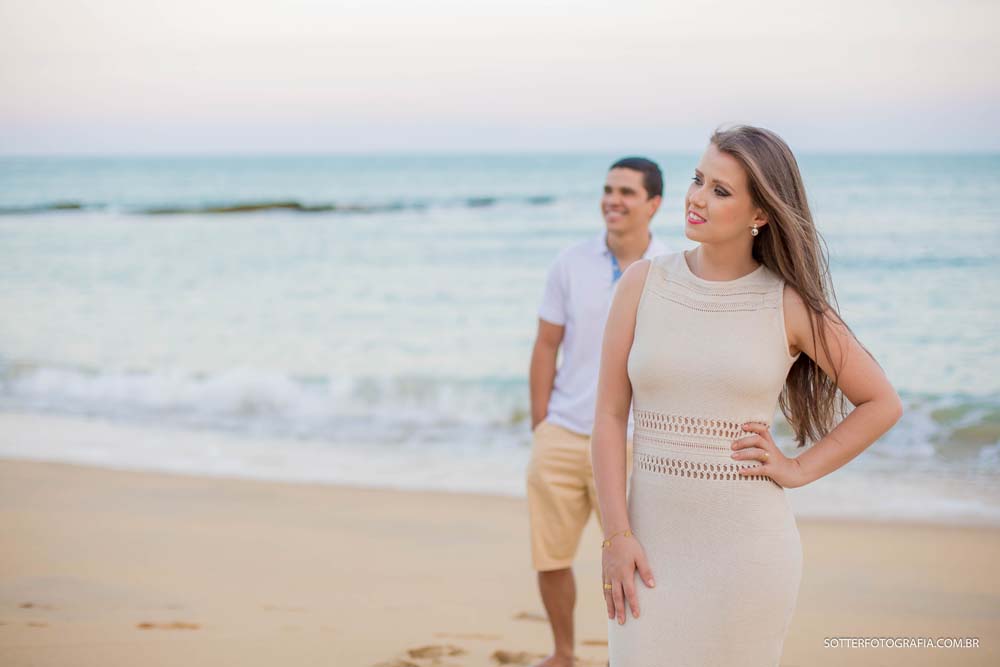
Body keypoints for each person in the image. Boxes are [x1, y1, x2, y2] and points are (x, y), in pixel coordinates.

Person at [592, 126, 903, 665]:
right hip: (647, 552)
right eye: (697, 179)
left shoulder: (788, 304)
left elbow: (881, 403)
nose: (696, 198)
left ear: (761, 213)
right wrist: (616, 535)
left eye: (721, 190)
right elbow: (609, 415)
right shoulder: (642, 283)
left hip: (747, 558)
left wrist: (799, 468)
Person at [527, 157, 668, 667]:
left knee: (633, 558)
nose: (614, 199)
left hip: (637, 440)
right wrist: (541, 423)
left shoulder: (672, 268)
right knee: (551, 555)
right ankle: (563, 653)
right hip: (563, 434)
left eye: (627, 192)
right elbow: (546, 345)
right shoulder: (569, 263)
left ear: (654, 204)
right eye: (609, 189)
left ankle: (623, 658)